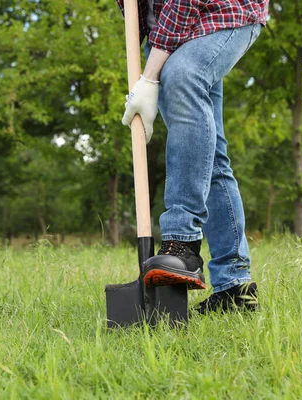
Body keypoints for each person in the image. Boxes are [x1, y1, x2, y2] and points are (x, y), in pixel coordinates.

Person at [119, 0, 269, 314]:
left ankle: (182, 243)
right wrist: (142, 75)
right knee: (207, 155)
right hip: (169, 27)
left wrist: (150, 77)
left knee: (183, 75)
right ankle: (234, 287)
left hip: (224, 10)